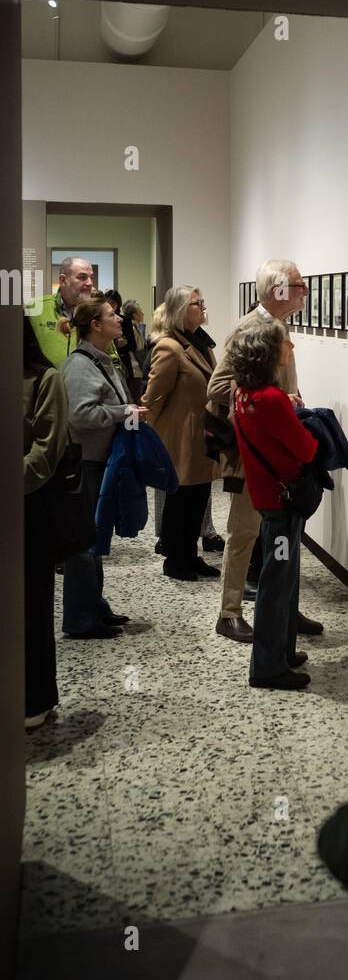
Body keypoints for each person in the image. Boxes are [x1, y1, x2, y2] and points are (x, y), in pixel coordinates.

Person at [207, 259, 323, 642]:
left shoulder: (277, 326)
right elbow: (216, 388)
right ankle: (229, 612)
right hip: (253, 453)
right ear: (277, 290)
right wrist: (272, 399)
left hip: (277, 454)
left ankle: (284, 609)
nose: (304, 290)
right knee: (243, 533)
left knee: (282, 536)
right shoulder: (250, 328)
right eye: (298, 284)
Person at [222, 316, 318, 689]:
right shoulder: (273, 399)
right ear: (268, 352)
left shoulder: (244, 393)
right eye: (285, 343)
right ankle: (267, 667)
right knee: (277, 584)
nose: (290, 348)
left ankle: (283, 652)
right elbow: (306, 448)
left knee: (284, 578)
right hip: (282, 502)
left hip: (265, 497)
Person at [59, 296, 146, 638]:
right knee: (83, 545)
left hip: (100, 461)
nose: (119, 319)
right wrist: (124, 413)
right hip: (86, 463)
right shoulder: (81, 366)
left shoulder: (101, 360)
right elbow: (80, 415)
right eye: (112, 316)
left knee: (94, 539)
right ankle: (81, 620)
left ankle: (94, 607)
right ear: (96, 326)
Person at [141, 285, 218, 581]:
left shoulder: (201, 342)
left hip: (200, 434)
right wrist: (153, 435)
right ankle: (175, 559)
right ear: (180, 310)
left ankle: (190, 555)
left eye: (201, 302)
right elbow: (153, 397)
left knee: (198, 497)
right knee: (180, 499)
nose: (202, 307)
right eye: (196, 303)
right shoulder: (169, 347)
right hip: (179, 437)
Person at [23, 317, 70, 726]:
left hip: (28, 508)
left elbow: (46, 449)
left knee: (31, 604)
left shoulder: (44, 379)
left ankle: (35, 698)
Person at [30, 256, 123, 371]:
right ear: (63, 280)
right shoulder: (35, 309)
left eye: (91, 278)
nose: (89, 283)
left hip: (87, 386)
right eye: (82, 277)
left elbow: (112, 357)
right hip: (48, 386)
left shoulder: (94, 312)